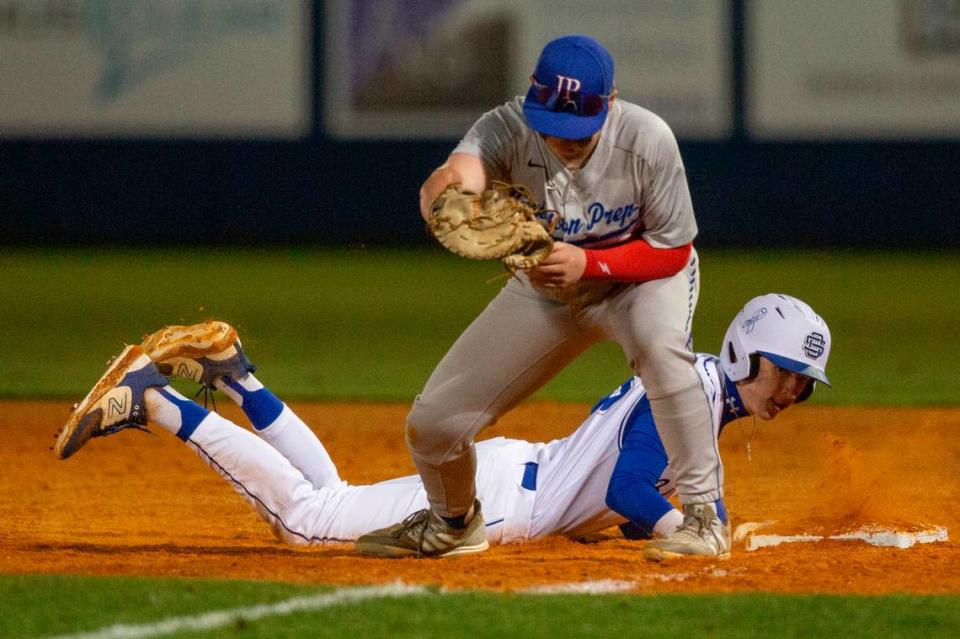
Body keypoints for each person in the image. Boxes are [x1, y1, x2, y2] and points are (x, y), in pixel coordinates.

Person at [52, 294, 831, 560]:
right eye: (784, 369)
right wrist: (684, 528)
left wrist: (687, 522)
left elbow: (627, 492)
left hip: (511, 479)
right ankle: (156, 399)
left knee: (332, 495)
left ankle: (236, 373)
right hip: (502, 500)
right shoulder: (692, 392)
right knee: (306, 521)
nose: (792, 390)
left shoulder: (694, 387)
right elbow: (632, 485)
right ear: (742, 351)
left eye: (803, 383)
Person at [357, 33, 718, 558]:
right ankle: (453, 523)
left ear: (610, 104)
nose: (565, 140)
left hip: (641, 281)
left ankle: (705, 517)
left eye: (580, 128)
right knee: (435, 423)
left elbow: (673, 250)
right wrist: (446, 193)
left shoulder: (647, 139)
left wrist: (591, 262)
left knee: (664, 356)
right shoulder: (505, 127)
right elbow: (457, 174)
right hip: (547, 291)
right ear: (531, 94)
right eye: (554, 126)